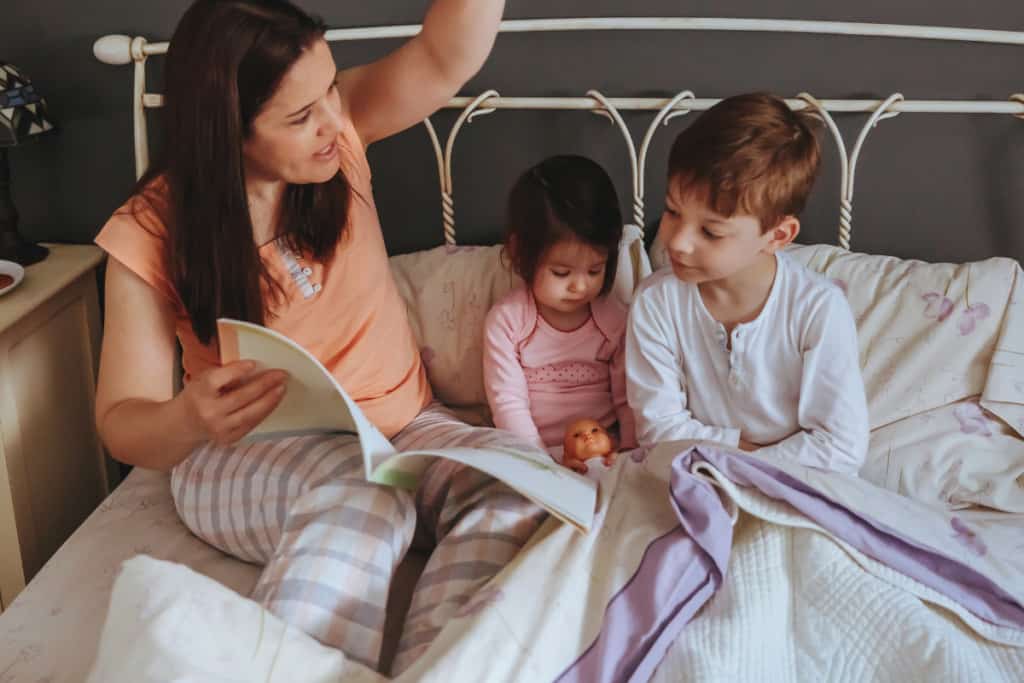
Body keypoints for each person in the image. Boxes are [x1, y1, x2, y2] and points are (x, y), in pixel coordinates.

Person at [93, 0, 545, 674]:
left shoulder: (343, 133)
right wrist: (189, 415)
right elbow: (122, 423)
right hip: (241, 453)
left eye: (331, 87)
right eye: (301, 117)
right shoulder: (152, 229)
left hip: (404, 430)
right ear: (227, 133)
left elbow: (448, 54)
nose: (333, 123)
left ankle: (439, 667)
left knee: (522, 490)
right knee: (366, 495)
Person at [626, 93, 869, 474]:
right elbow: (659, 432)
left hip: (798, 482)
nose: (676, 241)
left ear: (777, 236)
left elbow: (841, 447)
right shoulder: (657, 301)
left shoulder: (817, 308)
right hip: (696, 476)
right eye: (672, 212)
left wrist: (742, 459)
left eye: (710, 231)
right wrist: (743, 452)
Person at [483, 155, 636, 473]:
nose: (580, 286)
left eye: (595, 270)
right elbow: (507, 402)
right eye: (561, 272)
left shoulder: (614, 319)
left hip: (605, 454)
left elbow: (629, 398)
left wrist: (630, 449)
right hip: (534, 453)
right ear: (519, 253)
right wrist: (538, 462)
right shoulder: (509, 321)